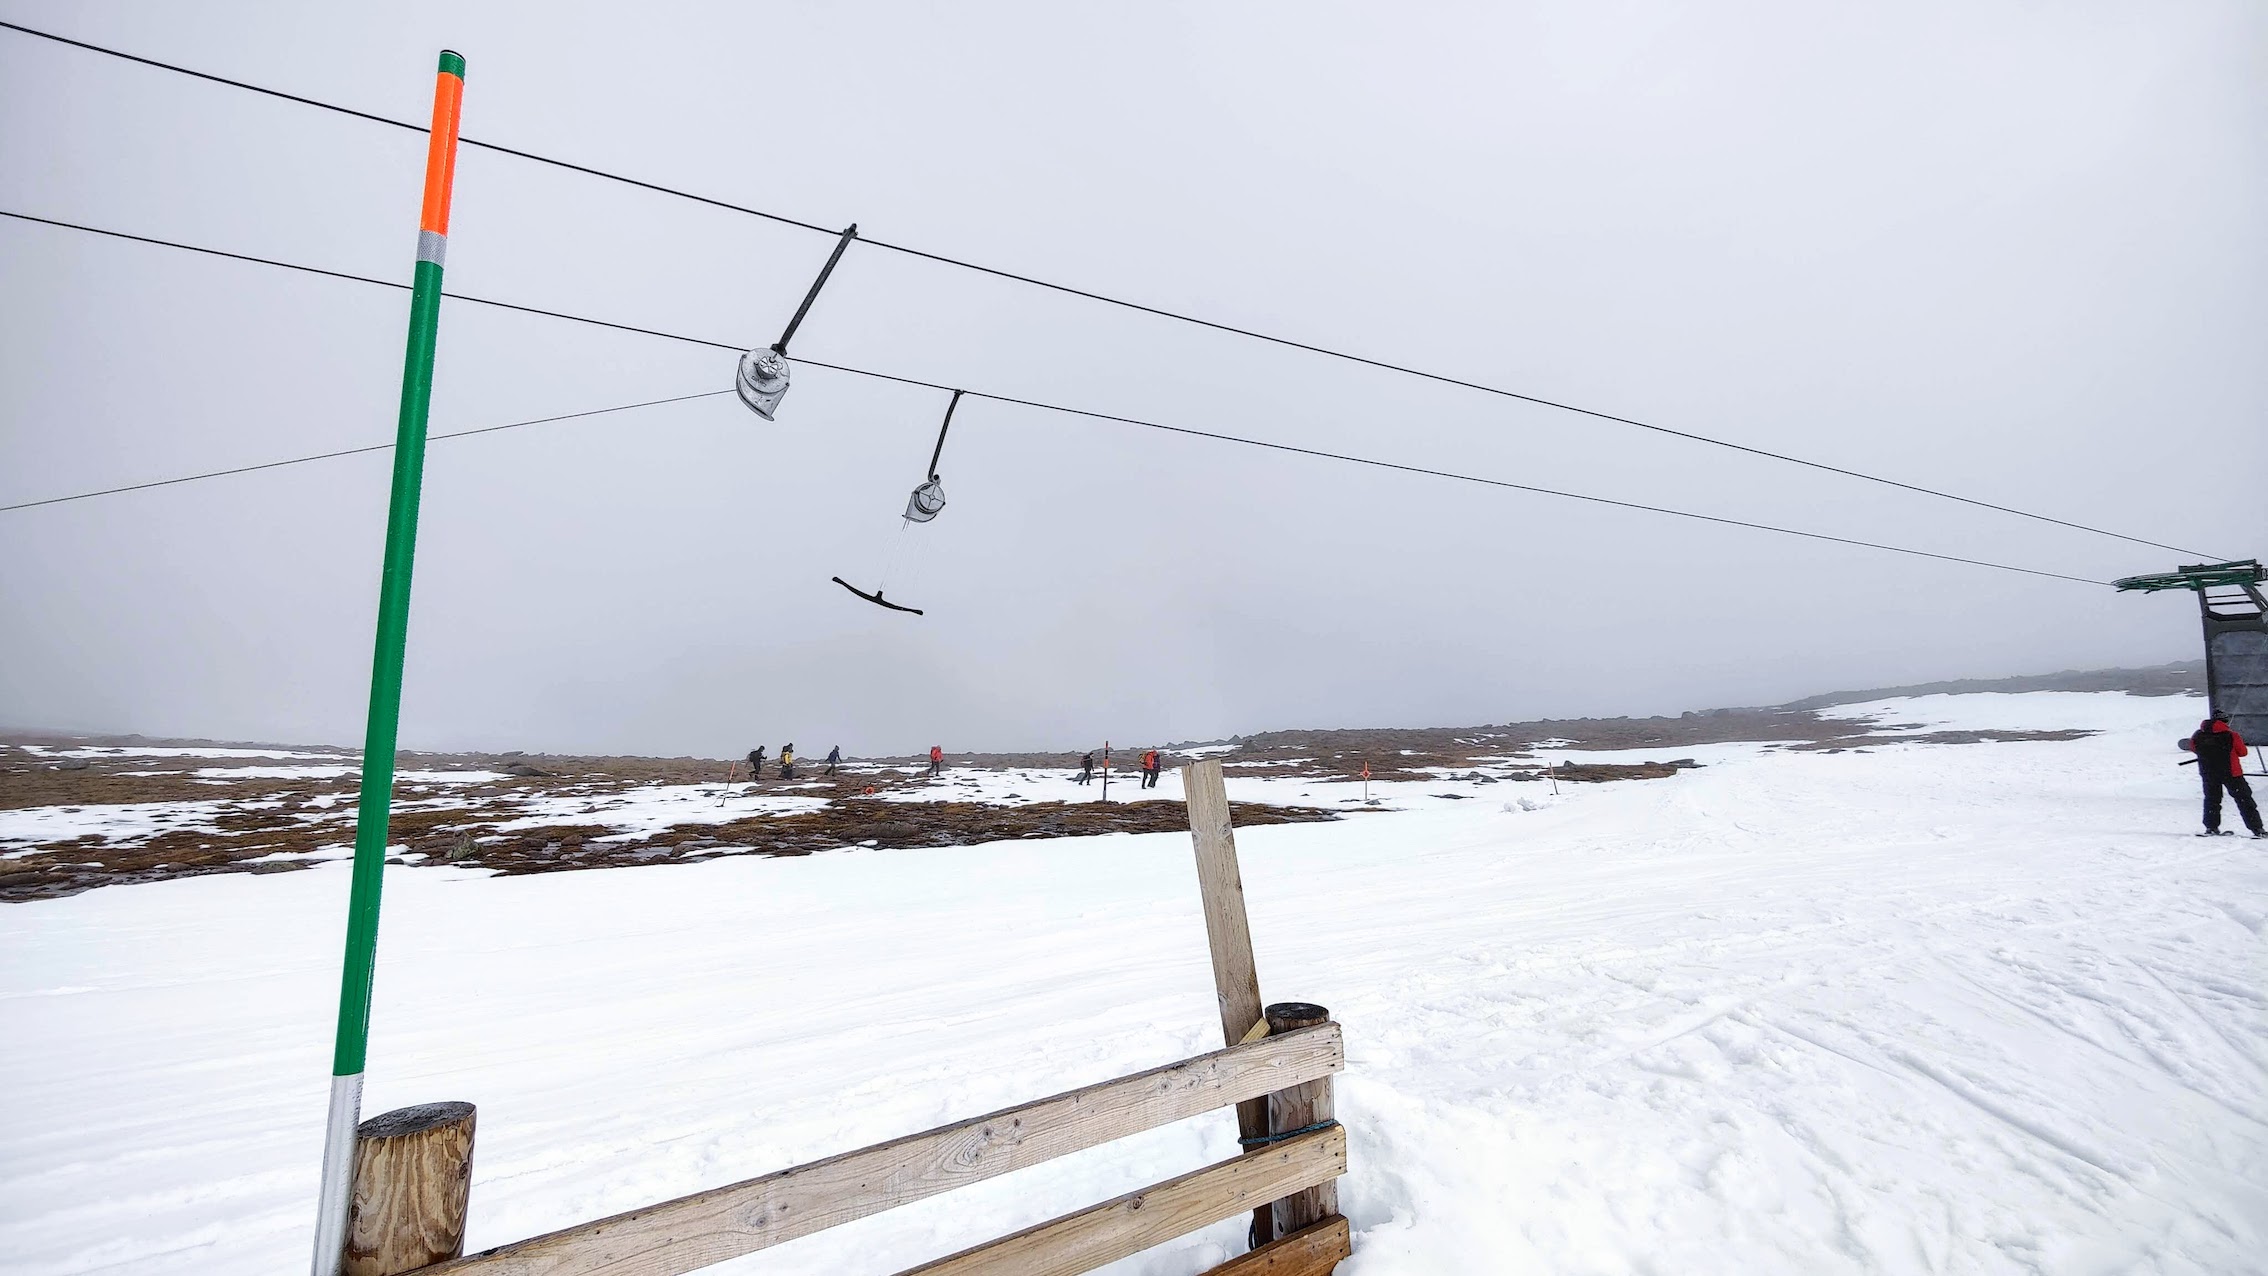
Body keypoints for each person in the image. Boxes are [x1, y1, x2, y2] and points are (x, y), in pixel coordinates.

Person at [2186, 711, 2264, 837]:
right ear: (2225, 721)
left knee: (2212, 800)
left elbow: (2194, 748)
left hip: (2208, 773)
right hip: (2232, 773)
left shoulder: (2197, 735)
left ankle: (2211, 827)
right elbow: (2243, 752)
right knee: (2244, 800)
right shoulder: (2231, 735)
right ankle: (2257, 829)